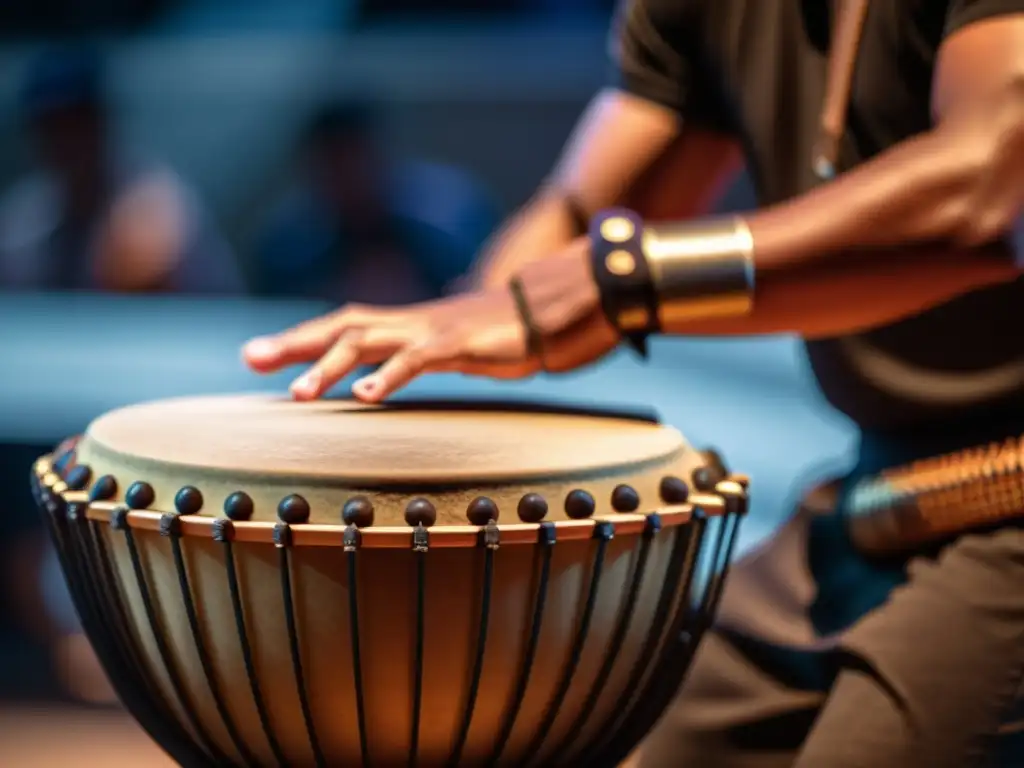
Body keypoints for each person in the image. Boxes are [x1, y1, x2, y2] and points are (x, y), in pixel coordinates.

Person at [243, 1, 1024, 765]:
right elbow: (581, 217)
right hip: (877, 492)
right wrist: (423, 373)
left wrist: (629, 284)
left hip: (1008, 495)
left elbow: (990, 193)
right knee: (689, 715)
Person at [0, 47, 243, 294]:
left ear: (101, 121)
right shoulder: (23, 223)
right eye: (52, 128)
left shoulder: (161, 205)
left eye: (75, 124)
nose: (64, 141)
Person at [252, 99, 501, 305]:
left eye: (354, 162)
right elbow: (270, 311)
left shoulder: (443, 229)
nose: (347, 178)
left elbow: (478, 296)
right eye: (334, 166)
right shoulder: (290, 249)